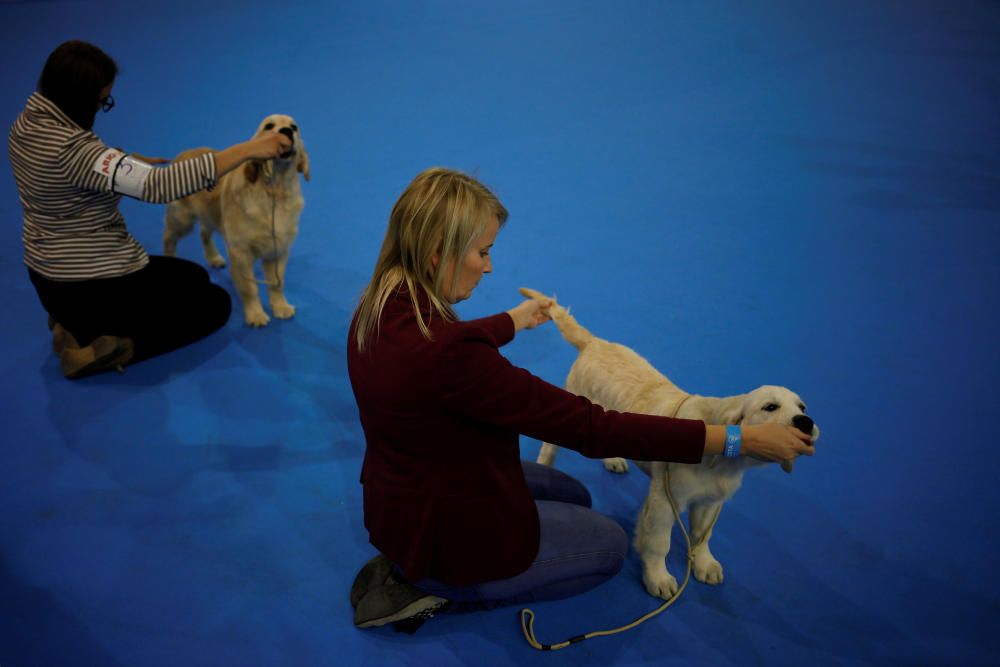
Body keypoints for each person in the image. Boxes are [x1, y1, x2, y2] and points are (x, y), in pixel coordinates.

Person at [346, 167, 814, 630]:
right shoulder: (456, 359)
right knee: (608, 547)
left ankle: (416, 562)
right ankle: (438, 590)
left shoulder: (378, 304)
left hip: (403, 497)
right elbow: (593, 427)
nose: (489, 266)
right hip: (449, 532)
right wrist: (739, 441)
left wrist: (513, 319)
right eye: (483, 252)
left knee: (574, 494)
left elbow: (445, 344)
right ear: (437, 253)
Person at [7, 40, 292, 378]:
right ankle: (115, 347)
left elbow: (74, 169)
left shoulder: (26, 124)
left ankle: (73, 322)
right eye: (101, 102)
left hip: (48, 278)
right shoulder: (75, 151)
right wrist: (248, 149)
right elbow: (158, 186)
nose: (101, 108)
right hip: (90, 283)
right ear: (79, 98)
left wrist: (126, 160)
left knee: (194, 275)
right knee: (216, 305)